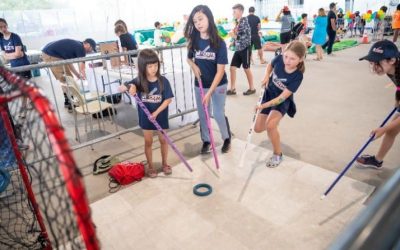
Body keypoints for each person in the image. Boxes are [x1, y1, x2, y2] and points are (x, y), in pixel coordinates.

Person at [184, 5, 232, 154]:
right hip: (200, 85)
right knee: (203, 114)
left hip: (218, 85)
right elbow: (188, 58)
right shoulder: (194, 39)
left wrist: (210, 92)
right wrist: (193, 66)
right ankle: (206, 140)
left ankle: (226, 138)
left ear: (209, 19)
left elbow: (220, 71)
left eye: (201, 19)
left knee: (217, 113)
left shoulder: (219, 43)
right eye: (195, 21)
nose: (198, 23)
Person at [254, 41, 306, 167]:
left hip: (281, 101)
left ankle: (278, 154)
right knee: (258, 128)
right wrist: (266, 76)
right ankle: (273, 127)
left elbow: (281, 98)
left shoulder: (297, 76)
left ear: (301, 59)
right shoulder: (278, 59)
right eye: (286, 56)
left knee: (270, 125)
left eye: (292, 58)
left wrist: (263, 106)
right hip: (268, 94)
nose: (287, 61)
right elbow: (270, 66)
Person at [124, 49, 174, 177]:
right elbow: (123, 86)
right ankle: (150, 166)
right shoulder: (139, 81)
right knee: (148, 142)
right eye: (150, 66)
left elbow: (168, 99)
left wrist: (156, 113)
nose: (153, 69)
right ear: (142, 67)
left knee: (163, 140)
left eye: (156, 65)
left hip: (160, 116)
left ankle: (164, 163)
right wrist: (130, 87)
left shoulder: (163, 81)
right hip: (146, 118)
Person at [356, 40, 400, 169]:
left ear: (391, 60)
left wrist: (383, 129)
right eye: (372, 63)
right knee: (392, 131)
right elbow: (398, 85)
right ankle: (377, 160)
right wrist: (397, 100)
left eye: (377, 63)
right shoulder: (391, 69)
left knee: (390, 129)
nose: (374, 67)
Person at [41, 38, 97, 111]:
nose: (91, 51)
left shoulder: (76, 46)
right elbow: (82, 66)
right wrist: (85, 76)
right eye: (91, 49)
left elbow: (69, 63)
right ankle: (70, 101)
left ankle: (69, 100)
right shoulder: (81, 48)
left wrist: (77, 75)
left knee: (69, 77)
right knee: (65, 79)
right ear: (87, 44)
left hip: (54, 54)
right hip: (50, 54)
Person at [0, 18, 31, 118]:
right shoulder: (1, 40)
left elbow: (17, 54)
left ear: (7, 25)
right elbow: (6, 56)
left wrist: (11, 55)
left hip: (23, 65)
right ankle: (31, 101)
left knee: (22, 89)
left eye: (4, 26)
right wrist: (14, 55)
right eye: (0, 27)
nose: (3, 29)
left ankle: (23, 109)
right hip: (14, 67)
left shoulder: (15, 37)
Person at [227, 3, 254, 96]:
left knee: (246, 68)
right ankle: (232, 89)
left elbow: (245, 37)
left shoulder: (244, 21)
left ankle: (252, 88)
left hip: (245, 48)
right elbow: (238, 35)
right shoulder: (238, 22)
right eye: (233, 11)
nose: (233, 13)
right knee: (232, 68)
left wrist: (234, 36)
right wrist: (233, 41)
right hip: (238, 49)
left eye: (235, 11)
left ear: (241, 11)